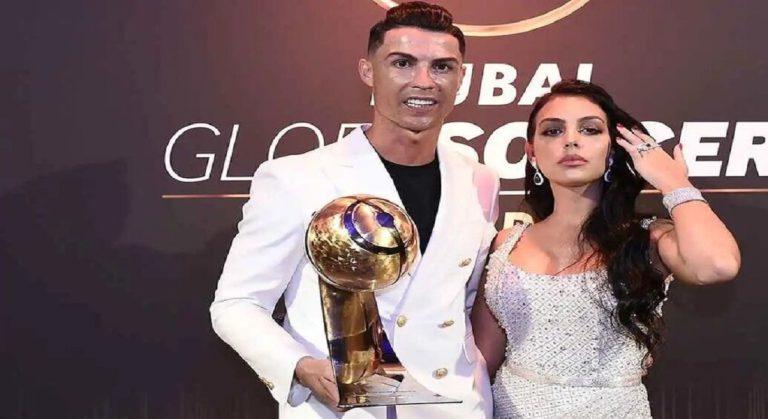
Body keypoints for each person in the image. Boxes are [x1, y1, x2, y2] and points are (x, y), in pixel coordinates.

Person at [210, 2, 499, 418]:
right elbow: (237, 304)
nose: (424, 81)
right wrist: (302, 367)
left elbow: (463, 300)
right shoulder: (296, 177)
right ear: (368, 71)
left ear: (461, 78)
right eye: (402, 63)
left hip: (455, 407)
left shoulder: (479, 180)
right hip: (345, 411)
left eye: (442, 67)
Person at [471, 79, 741, 418]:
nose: (571, 140)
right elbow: (481, 361)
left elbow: (717, 265)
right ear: (532, 152)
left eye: (590, 130)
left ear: (612, 149)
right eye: (553, 131)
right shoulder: (507, 243)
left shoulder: (648, 240)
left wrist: (672, 181)